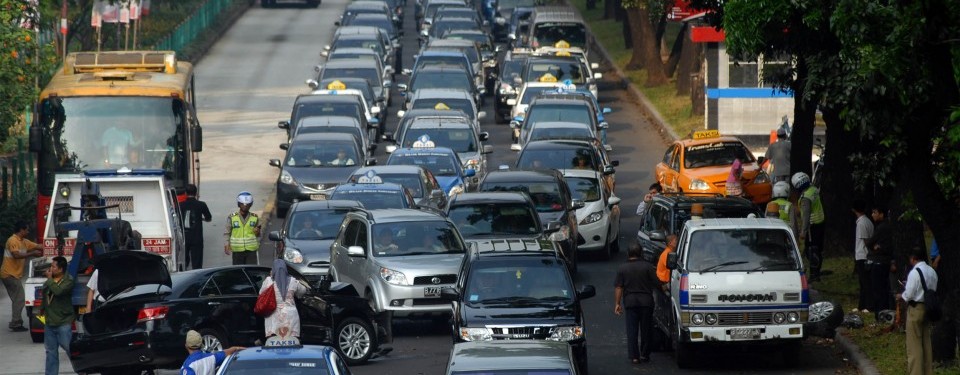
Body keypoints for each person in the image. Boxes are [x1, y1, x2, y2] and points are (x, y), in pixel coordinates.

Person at [614, 243, 660, 364]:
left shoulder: (622, 268)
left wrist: (617, 303)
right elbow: (657, 283)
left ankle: (634, 356)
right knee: (646, 330)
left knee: (632, 330)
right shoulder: (648, 267)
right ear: (641, 253)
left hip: (630, 302)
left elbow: (619, 287)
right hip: (646, 302)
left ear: (628, 253)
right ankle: (645, 354)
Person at [897, 247, 937, 375]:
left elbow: (908, 294)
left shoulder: (914, 272)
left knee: (914, 345)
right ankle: (927, 371)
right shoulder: (932, 271)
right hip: (928, 308)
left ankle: (916, 372)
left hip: (916, 309)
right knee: (926, 343)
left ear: (913, 258)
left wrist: (900, 295)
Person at [2, 221, 43, 331]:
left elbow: (38, 246)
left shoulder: (24, 242)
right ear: (21, 230)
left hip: (14, 275)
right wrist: (32, 254)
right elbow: (16, 255)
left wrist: (50, 246)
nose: (28, 231)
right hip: (9, 274)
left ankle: (16, 322)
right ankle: (15, 323)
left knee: (17, 299)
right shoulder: (12, 240)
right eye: (27, 230)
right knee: (19, 299)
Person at [42, 256, 75, 375]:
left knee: (70, 349)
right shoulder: (51, 280)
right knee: (50, 352)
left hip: (63, 322)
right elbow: (45, 296)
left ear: (61, 269)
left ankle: (81, 369)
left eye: (53, 266)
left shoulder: (68, 280)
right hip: (50, 322)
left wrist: (49, 279)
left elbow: (58, 291)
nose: (51, 268)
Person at [261, 259, 308, 338]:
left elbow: (261, 293)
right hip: (290, 316)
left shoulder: (268, 281)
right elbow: (303, 291)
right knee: (291, 343)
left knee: (273, 343)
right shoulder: (293, 281)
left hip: (273, 316)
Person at [793, 172, 825, 281]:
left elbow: (806, 216)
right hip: (820, 223)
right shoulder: (813, 189)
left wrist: (803, 232)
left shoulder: (806, 197)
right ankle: (817, 273)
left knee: (811, 251)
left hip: (812, 226)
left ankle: (814, 275)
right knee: (817, 249)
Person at [865, 204, 894, 315]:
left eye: (875, 212)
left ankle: (880, 312)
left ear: (881, 214)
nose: (873, 215)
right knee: (883, 288)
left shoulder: (882, 227)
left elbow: (870, 242)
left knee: (878, 289)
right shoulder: (886, 226)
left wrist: (875, 246)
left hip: (879, 262)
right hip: (884, 261)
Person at [179, 329, 245, 375]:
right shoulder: (212, 357)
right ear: (201, 345)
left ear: (186, 346)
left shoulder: (187, 366)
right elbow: (231, 350)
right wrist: (246, 349)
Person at [180, 184, 212, 270]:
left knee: (183, 263)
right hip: (197, 238)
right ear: (196, 193)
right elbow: (209, 218)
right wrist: (202, 219)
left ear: (185, 193)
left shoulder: (180, 205)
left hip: (184, 238)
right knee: (197, 264)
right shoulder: (201, 205)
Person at [224, 191, 261, 265]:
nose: (245, 206)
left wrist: (257, 232)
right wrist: (226, 244)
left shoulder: (255, 217)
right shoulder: (232, 217)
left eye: (247, 204)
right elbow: (227, 232)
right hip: (237, 250)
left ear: (250, 205)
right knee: (238, 273)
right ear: (238, 204)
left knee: (251, 272)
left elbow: (259, 234)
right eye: (242, 204)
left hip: (251, 251)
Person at [852, 199, 874, 313]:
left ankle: (869, 306)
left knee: (865, 283)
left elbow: (865, 241)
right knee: (863, 282)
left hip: (863, 256)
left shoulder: (861, 223)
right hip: (865, 255)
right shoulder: (868, 221)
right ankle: (862, 305)